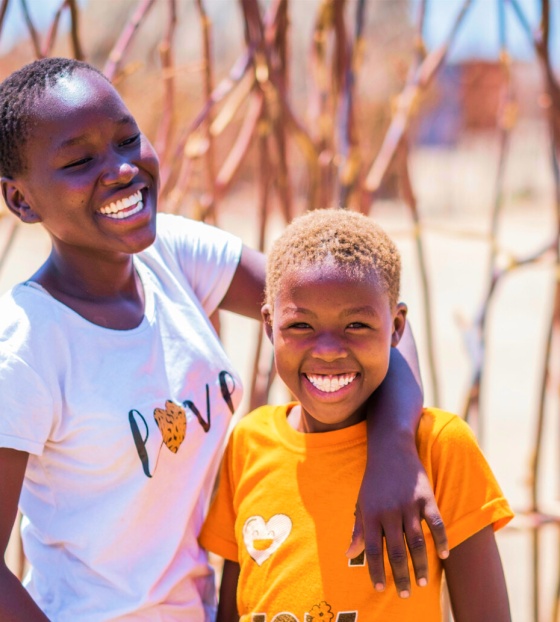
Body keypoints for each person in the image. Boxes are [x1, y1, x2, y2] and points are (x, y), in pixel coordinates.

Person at [0, 58, 446, 622]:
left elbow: (359, 317)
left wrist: (394, 449)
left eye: (127, 139)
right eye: (80, 160)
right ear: (21, 200)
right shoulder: (28, 347)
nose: (120, 169)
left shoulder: (171, 255)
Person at [199, 208, 514, 622]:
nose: (328, 350)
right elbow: (235, 606)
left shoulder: (439, 447)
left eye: (357, 325)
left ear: (397, 327)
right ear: (268, 326)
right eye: (300, 327)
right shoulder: (249, 443)